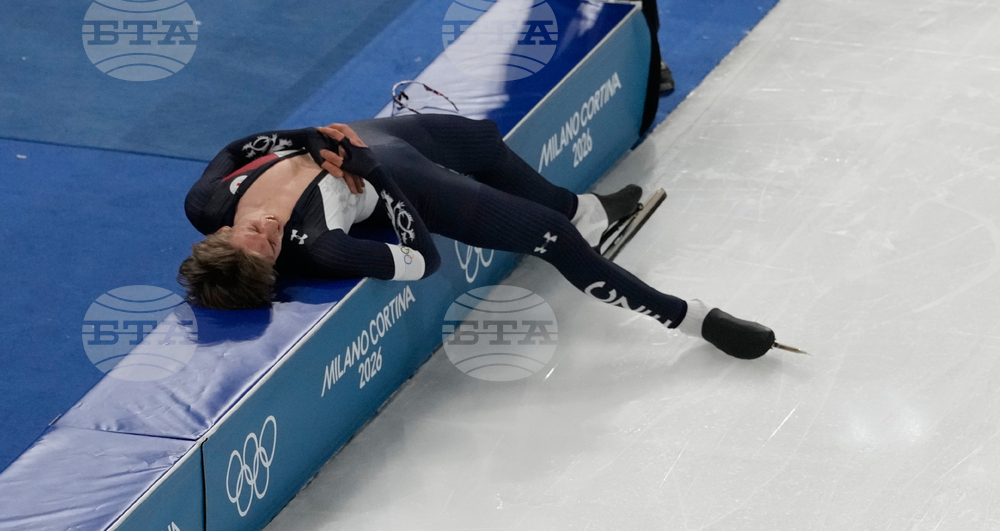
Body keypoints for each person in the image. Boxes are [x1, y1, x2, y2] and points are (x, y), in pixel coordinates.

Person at [179, 114, 777, 359]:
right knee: (551, 236)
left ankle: (585, 210)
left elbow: (239, 146)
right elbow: (422, 259)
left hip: (360, 137)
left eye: (254, 229)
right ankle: (690, 318)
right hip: (398, 179)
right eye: (271, 245)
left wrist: (308, 139)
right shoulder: (322, 243)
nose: (270, 228)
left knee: (483, 140)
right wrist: (373, 172)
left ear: (223, 229)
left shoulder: (206, 200)